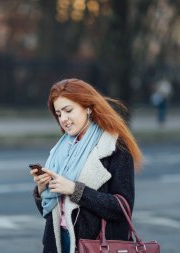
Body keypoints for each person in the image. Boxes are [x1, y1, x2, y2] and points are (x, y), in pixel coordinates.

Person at [30, 78, 142, 253]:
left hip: (95, 245)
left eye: (68, 110)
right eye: (59, 114)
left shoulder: (113, 145)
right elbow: (50, 213)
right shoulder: (62, 149)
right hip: (58, 243)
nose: (63, 119)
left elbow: (123, 208)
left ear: (88, 107)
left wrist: (75, 190)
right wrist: (42, 190)